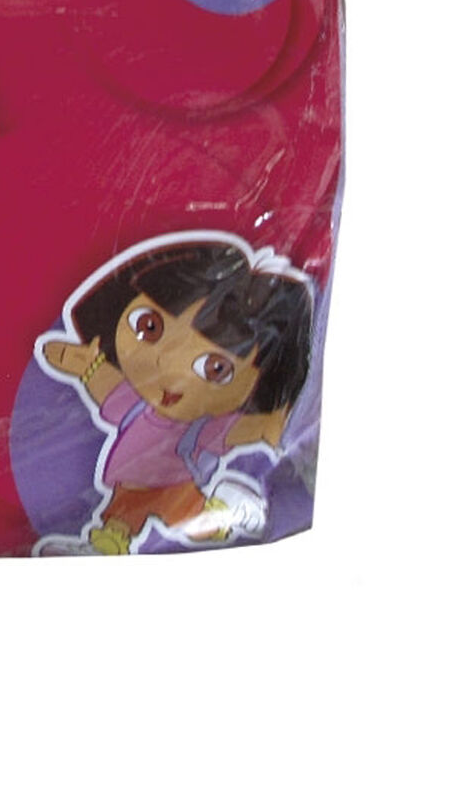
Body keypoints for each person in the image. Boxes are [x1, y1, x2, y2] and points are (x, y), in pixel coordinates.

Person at [34, 233, 312, 554]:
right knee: (119, 520)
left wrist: (271, 424)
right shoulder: (138, 406)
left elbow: (241, 429)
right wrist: (89, 367)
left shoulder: (204, 425)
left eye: (215, 368)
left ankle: (229, 510)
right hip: (130, 485)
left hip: (179, 487)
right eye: (150, 327)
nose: (166, 364)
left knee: (199, 521)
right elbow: (108, 389)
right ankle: (104, 548)